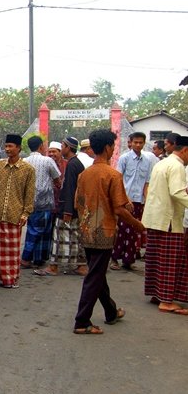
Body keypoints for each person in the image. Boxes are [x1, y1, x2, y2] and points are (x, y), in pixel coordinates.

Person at [73, 129, 142, 335]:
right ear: (107, 148)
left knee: (97, 273)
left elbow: (79, 201)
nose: (113, 149)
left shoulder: (84, 174)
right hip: (104, 230)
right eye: (113, 146)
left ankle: (111, 312)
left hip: (86, 229)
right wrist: (137, 224)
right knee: (95, 276)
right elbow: (119, 208)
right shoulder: (112, 174)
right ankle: (82, 320)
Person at [142, 135, 188, 314]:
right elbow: (177, 192)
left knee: (157, 259)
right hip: (168, 220)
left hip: (155, 218)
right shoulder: (176, 166)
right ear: (185, 150)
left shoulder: (162, 163)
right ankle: (167, 301)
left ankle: (157, 294)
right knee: (170, 261)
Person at [0, 134, 35, 289]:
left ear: (19, 148)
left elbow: (30, 194)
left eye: (11, 146)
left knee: (11, 251)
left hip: (15, 214)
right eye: (6, 146)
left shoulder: (28, 170)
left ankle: (10, 278)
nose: (7, 149)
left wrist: (26, 213)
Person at [35, 137, 87, 277]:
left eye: (63, 146)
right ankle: (81, 266)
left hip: (68, 208)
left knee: (59, 238)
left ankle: (53, 267)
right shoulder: (75, 163)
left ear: (68, 148)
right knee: (75, 238)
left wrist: (68, 210)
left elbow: (70, 188)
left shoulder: (72, 165)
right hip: (73, 208)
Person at [110, 132, 153, 271]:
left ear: (144, 143)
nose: (138, 145)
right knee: (122, 230)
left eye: (141, 142)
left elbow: (146, 183)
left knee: (134, 230)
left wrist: (147, 201)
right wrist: (125, 199)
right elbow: (119, 180)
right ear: (131, 142)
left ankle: (128, 260)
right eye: (136, 142)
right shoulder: (124, 158)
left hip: (139, 201)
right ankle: (115, 258)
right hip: (124, 200)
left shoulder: (147, 160)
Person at [21, 136, 61, 269]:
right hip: (44, 202)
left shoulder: (24, 161)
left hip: (28, 202)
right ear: (40, 146)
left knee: (33, 229)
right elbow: (57, 179)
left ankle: (36, 258)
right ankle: (28, 258)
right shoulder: (47, 161)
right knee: (40, 231)